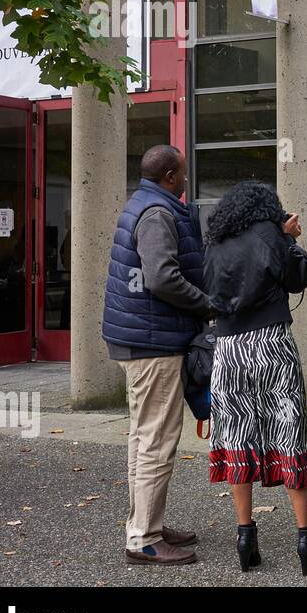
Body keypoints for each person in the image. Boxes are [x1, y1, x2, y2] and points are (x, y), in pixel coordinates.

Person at [203, 181, 307, 575]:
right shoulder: (272, 233)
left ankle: (245, 537)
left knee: (238, 435)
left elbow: (208, 291)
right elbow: (297, 279)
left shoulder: (216, 241)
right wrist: (291, 241)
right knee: (289, 431)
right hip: (271, 341)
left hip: (229, 348)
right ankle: (306, 542)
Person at [102, 145, 211, 566]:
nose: (185, 179)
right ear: (169, 175)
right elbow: (163, 277)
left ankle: (145, 523)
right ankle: (144, 539)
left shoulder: (144, 203)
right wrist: (207, 305)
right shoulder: (158, 213)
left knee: (142, 438)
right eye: (181, 172)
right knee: (156, 441)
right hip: (155, 345)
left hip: (142, 340)